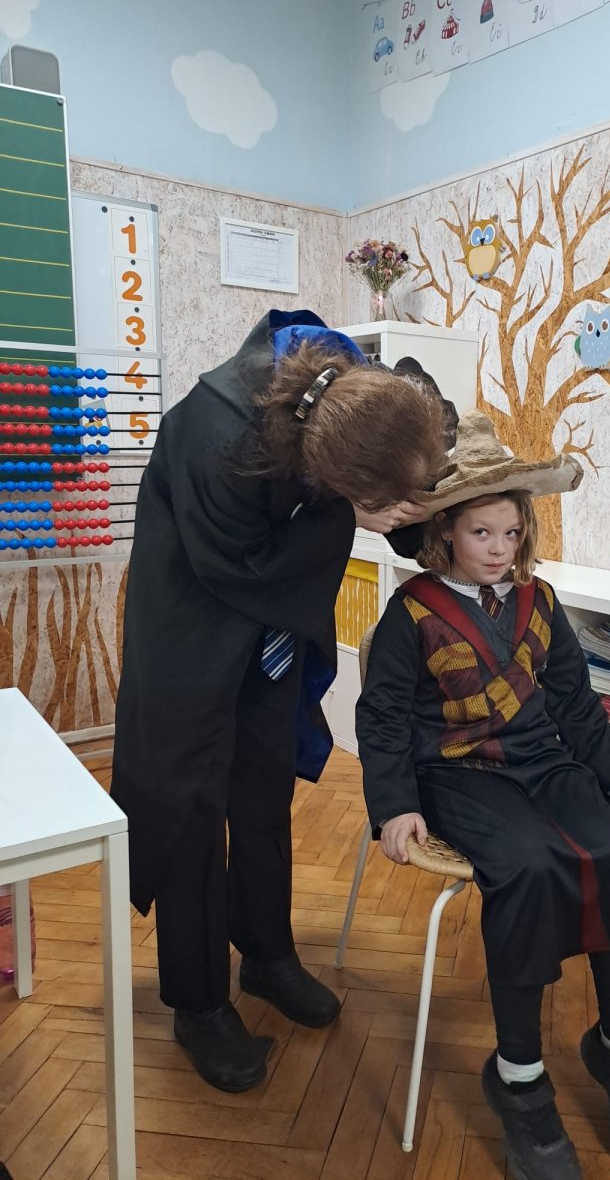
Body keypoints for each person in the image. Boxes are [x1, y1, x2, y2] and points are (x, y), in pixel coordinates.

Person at [111, 310, 447, 1093]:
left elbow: (397, 472)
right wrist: (346, 517)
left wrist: (419, 502)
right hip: (193, 626)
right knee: (194, 811)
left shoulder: (360, 390)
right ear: (328, 473)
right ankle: (198, 1003)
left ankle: (265, 954)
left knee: (262, 790)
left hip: (268, 632)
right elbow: (241, 567)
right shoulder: (215, 434)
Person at [356, 411, 610, 1178]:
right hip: (456, 776)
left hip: (544, 763)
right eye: (481, 533)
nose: (499, 548)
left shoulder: (543, 602)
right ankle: (520, 1078)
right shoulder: (411, 612)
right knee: (527, 867)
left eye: (510, 531)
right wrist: (395, 805)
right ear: (445, 533)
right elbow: (383, 717)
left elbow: (576, 705)